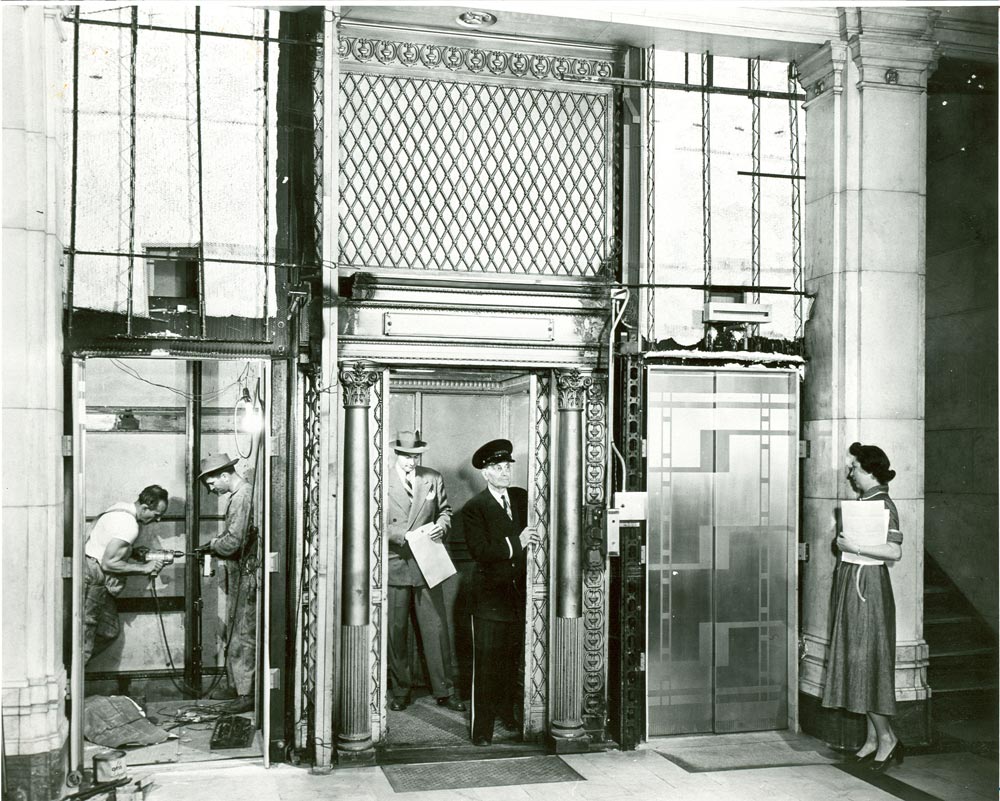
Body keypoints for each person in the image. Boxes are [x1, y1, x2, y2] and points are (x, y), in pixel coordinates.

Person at [823, 441, 904, 772]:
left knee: (868, 661)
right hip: (855, 583)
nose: (850, 473)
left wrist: (855, 545)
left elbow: (894, 552)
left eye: (854, 467)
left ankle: (887, 739)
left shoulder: (884, 504)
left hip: (867, 588)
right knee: (861, 660)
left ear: (869, 470)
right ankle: (873, 739)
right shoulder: (865, 501)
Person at [461, 438, 539, 746]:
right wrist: (516, 543)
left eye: (507, 467)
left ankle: (509, 715)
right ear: (485, 473)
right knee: (487, 665)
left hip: (520, 596)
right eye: (498, 468)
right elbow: (481, 551)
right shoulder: (474, 509)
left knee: (511, 661)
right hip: (489, 600)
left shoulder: (520, 497)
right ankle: (482, 730)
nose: (505, 472)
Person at [386, 431, 465, 712]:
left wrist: (440, 527)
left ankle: (444, 689)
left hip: (427, 564)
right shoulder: (380, 479)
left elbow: (445, 511)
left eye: (414, 457)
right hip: (395, 564)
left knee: (436, 631)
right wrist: (402, 535)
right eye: (405, 456)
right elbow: (372, 521)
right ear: (396, 454)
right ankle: (400, 690)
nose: (410, 462)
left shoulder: (431, 477)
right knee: (396, 634)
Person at [83, 486, 170, 664]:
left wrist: (131, 552)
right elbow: (109, 563)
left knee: (109, 629)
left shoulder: (120, 508)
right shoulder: (129, 525)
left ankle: (73, 671)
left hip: (91, 568)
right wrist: (144, 569)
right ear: (145, 508)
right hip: (93, 576)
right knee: (86, 636)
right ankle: (70, 680)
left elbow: (106, 544)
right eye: (156, 515)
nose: (158, 520)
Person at [200, 453, 258, 714]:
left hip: (246, 573)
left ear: (225, 475)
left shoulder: (243, 496)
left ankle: (246, 694)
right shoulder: (238, 496)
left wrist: (212, 545)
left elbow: (234, 541)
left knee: (243, 634)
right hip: (238, 573)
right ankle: (237, 687)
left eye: (212, 483)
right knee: (235, 631)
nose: (212, 489)